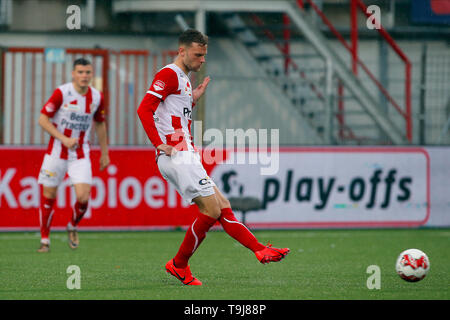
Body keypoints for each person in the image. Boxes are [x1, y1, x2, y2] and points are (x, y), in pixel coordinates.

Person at [137, 29, 289, 286]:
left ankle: (258, 249)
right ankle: (179, 265)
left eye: (204, 55)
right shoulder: (168, 74)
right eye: (198, 55)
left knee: (221, 204)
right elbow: (144, 108)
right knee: (212, 208)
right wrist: (159, 144)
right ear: (182, 51)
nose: (202, 60)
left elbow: (172, 112)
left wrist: (192, 100)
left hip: (186, 152)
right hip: (176, 154)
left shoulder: (183, 79)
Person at [36, 58, 110, 253]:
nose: (84, 76)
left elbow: (100, 123)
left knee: (83, 196)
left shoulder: (96, 97)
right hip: (56, 153)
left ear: (91, 74)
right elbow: (43, 119)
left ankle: (72, 225)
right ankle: (45, 239)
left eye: (87, 72)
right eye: (80, 72)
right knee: (49, 195)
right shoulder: (62, 93)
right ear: (73, 74)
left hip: (80, 153)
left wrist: (104, 152)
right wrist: (63, 138)